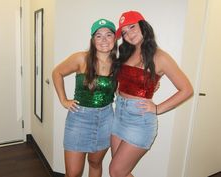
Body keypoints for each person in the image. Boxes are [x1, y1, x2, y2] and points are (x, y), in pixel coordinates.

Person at [109, 11, 193, 177]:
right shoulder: (126, 53)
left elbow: (187, 89)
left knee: (115, 171)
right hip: (118, 115)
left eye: (132, 27)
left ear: (143, 25)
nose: (128, 34)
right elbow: (124, 81)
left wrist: (157, 109)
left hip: (139, 121)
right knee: (120, 172)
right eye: (124, 32)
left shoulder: (160, 57)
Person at [52, 19, 117, 177]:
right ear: (92, 40)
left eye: (108, 35)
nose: (104, 40)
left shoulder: (119, 64)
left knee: (95, 163)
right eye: (98, 36)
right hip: (79, 119)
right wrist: (64, 100)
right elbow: (57, 73)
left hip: (106, 119)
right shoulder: (81, 58)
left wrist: (151, 86)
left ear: (115, 39)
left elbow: (125, 89)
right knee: (73, 173)